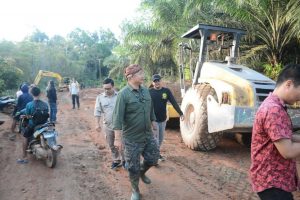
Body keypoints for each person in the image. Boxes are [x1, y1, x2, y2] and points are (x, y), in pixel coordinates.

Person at [250, 64, 300, 200]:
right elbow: (288, 151)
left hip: (273, 180)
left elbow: (285, 136)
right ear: (289, 84)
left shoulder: (274, 105)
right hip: (272, 181)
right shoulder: (274, 110)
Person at [113, 64, 159, 200]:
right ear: (130, 77)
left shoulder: (146, 91)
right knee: (133, 167)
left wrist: (153, 122)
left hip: (147, 135)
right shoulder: (123, 94)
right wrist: (117, 138)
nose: (143, 76)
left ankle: (142, 172)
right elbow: (117, 117)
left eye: (143, 73)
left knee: (153, 158)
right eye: (140, 74)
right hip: (132, 138)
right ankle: (135, 190)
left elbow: (150, 108)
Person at [149, 74, 184, 161]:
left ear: (161, 81)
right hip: (153, 120)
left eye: (158, 81)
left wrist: (180, 113)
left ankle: (155, 153)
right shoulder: (149, 92)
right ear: (152, 83)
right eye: (155, 81)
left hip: (163, 119)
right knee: (155, 139)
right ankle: (155, 156)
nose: (157, 82)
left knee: (160, 139)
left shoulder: (166, 91)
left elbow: (174, 102)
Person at [94, 78, 124, 170]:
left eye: (108, 88)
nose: (106, 90)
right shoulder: (100, 97)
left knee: (122, 144)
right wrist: (97, 124)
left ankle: (125, 161)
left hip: (121, 126)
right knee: (111, 144)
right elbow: (97, 111)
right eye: (105, 89)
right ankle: (116, 160)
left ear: (113, 87)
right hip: (108, 125)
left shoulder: (120, 96)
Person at [17, 86, 49, 164]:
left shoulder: (29, 105)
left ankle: (24, 157)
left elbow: (28, 117)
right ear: (40, 93)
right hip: (44, 125)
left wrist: (25, 116)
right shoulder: (45, 104)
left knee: (25, 137)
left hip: (33, 125)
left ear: (31, 94)